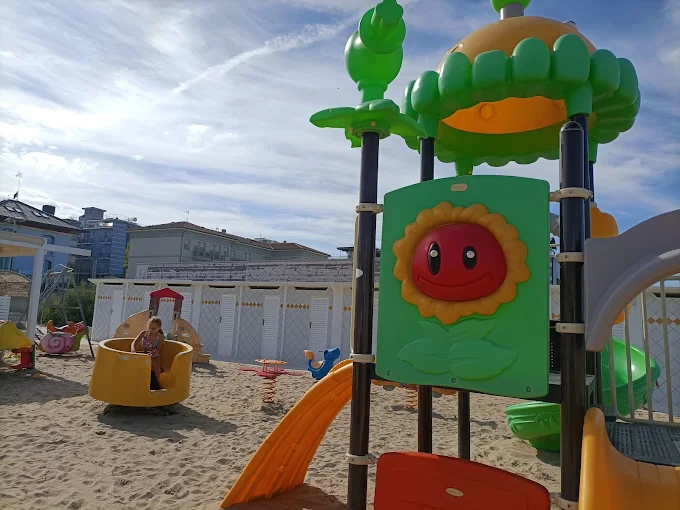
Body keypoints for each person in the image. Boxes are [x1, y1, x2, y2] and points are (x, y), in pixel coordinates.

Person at [132, 316, 165, 389]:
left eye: (153, 328)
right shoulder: (144, 333)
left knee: (155, 363)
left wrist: (155, 350)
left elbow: (159, 348)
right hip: (144, 353)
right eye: (149, 327)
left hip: (153, 354)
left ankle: (160, 385)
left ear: (159, 328)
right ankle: (137, 384)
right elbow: (134, 342)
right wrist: (133, 351)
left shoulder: (160, 337)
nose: (151, 330)